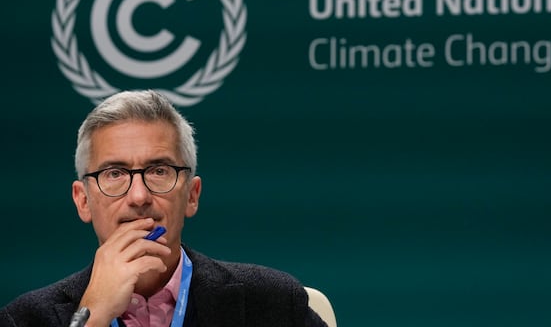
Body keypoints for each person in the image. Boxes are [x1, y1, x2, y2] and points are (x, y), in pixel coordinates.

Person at [0, 90, 327, 327]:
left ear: (192, 195)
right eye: (114, 174)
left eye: (159, 171)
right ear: (82, 200)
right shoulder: (24, 319)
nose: (139, 196)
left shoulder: (272, 303)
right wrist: (93, 317)